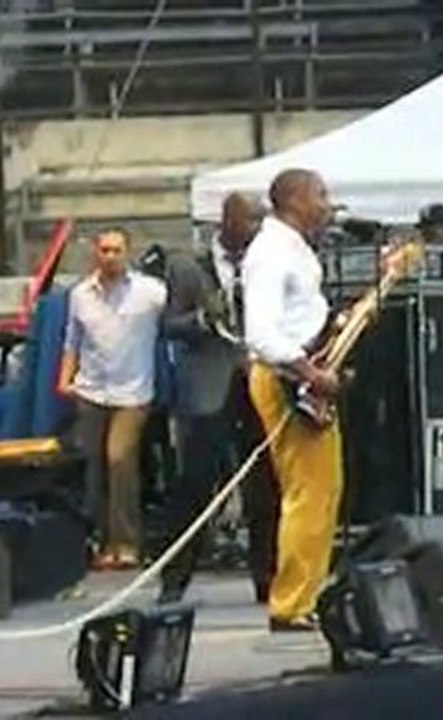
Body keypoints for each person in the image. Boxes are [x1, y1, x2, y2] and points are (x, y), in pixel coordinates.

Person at [157, 192, 279, 605]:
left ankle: (268, 577)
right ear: (226, 221)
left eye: (260, 222)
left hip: (258, 380)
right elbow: (170, 324)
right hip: (209, 385)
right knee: (195, 484)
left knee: (266, 482)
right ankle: (174, 579)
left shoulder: (265, 264)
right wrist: (203, 321)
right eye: (249, 221)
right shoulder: (188, 265)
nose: (256, 230)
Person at [243, 169, 342, 632]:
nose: (327, 203)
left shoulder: (295, 247)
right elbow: (261, 332)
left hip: (304, 371)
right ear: (295, 199)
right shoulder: (269, 253)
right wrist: (308, 372)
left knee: (324, 489)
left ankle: (306, 593)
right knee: (306, 492)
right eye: (320, 194)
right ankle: (290, 602)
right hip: (286, 377)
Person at [58, 227, 167, 571]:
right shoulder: (80, 295)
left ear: (128, 253)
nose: (110, 256)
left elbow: (174, 322)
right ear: (95, 252)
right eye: (104, 250)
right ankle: (99, 541)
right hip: (91, 389)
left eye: (116, 250)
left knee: (119, 460)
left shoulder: (150, 293)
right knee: (91, 467)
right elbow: (71, 342)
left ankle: (127, 542)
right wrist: (65, 380)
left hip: (133, 392)